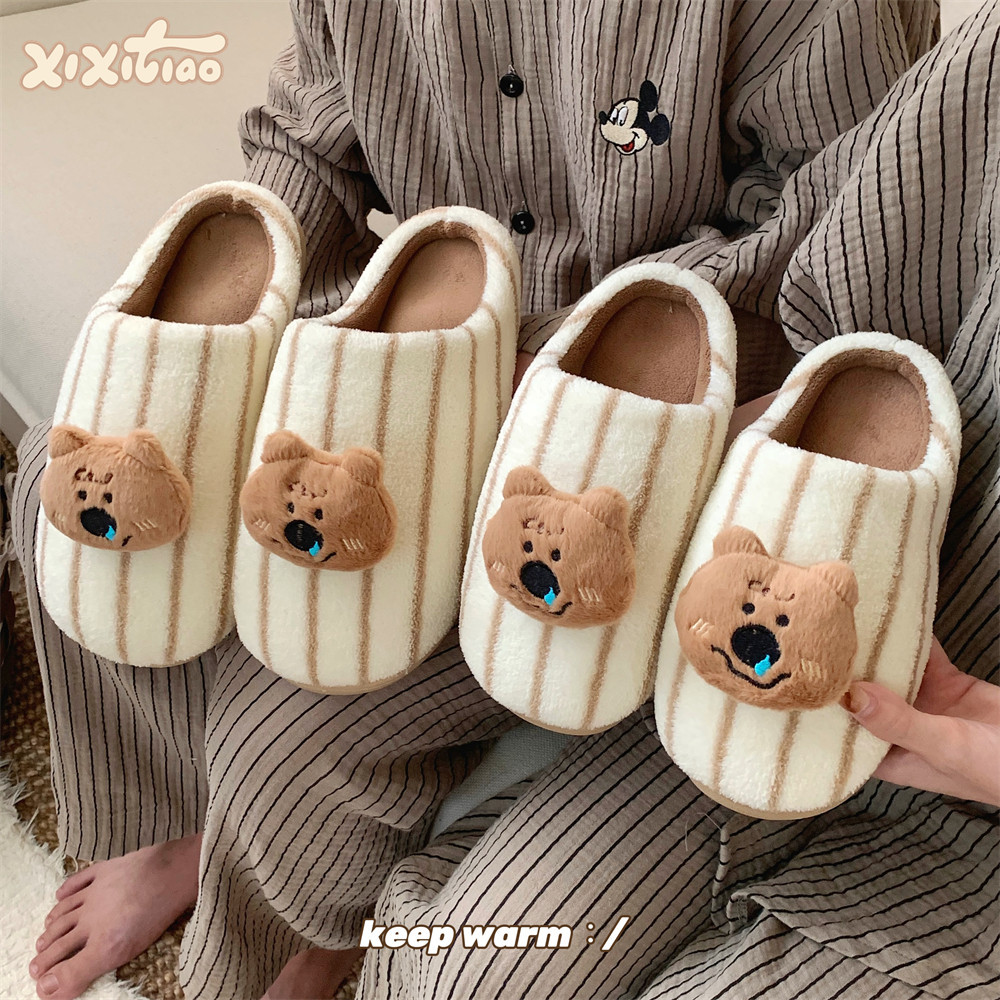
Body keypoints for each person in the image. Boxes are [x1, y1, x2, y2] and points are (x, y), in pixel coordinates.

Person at [11, 1, 998, 998]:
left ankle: (320, 927)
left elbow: (821, 219)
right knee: (55, 483)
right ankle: (172, 818)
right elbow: (307, 144)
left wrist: (575, 349)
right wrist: (240, 291)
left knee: (285, 738)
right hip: (431, 355)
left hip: (644, 407)